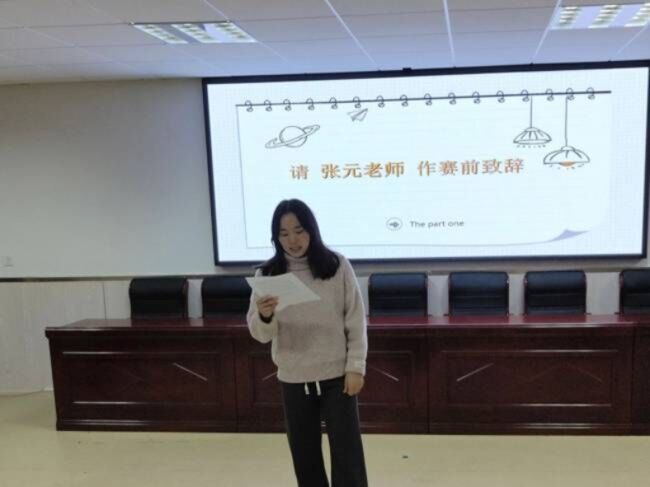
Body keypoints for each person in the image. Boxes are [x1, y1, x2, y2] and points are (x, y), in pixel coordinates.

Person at [246, 198, 368, 487]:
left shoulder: (336, 265)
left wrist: (356, 367)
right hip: (294, 377)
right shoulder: (267, 275)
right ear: (276, 238)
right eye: (284, 233)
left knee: (347, 453)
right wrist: (265, 315)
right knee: (304, 454)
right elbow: (260, 333)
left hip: (337, 376)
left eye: (299, 231)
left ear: (312, 230)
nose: (292, 240)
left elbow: (355, 319)